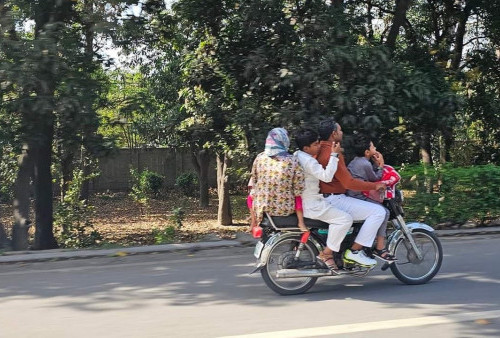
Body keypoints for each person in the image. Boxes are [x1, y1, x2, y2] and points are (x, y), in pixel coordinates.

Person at [317, 119, 387, 267]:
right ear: (334, 133)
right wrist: (375, 186)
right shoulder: (333, 153)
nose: (342, 133)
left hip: (324, 197)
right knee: (378, 212)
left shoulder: (317, 149)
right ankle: (354, 252)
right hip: (335, 199)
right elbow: (348, 182)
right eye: (340, 131)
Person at [294, 129, 352, 271]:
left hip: (308, 202)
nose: (319, 146)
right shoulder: (308, 161)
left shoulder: (297, 155)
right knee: (345, 219)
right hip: (313, 205)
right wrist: (334, 155)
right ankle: (326, 254)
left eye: (318, 143)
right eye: (315, 144)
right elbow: (326, 176)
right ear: (306, 148)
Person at [346, 134, 397, 262]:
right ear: (367, 152)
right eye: (373, 146)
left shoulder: (356, 161)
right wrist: (381, 164)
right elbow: (376, 178)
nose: (375, 148)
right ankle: (380, 248)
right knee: (384, 212)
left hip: (352, 195)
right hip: (358, 197)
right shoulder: (365, 164)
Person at [250, 127, 307, 233]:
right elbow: (299, 188)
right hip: (284, 209)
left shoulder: (260, 158)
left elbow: (254, 179)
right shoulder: (292, 161)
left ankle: (253, 222)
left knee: (251, 195)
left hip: (261, 208)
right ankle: (301, 222)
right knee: (298, 196)